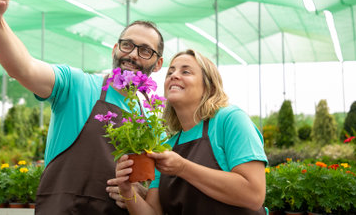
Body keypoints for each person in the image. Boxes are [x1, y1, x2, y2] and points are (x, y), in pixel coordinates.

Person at [0, 0, 164, 214]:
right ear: (114, 49)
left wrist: (137, 192)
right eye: (127, 45)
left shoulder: (147, 118)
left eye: (145, 51)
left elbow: (144, 183)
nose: (132, 55)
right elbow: (24, 68)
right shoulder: (77, 85)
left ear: (158, 64)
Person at [114, 49, 268, 215]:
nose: (174, 75)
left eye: (185, 71)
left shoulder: (229, 120)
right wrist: (128, 192)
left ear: (208, 85)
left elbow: (254, 195)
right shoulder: (167, 146)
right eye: (170, 72)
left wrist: (182, 168)